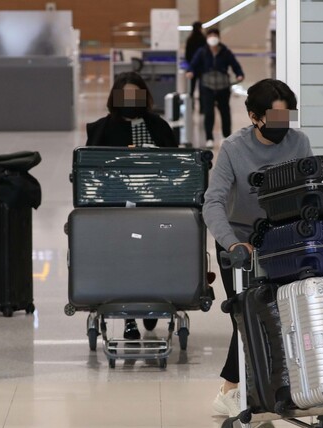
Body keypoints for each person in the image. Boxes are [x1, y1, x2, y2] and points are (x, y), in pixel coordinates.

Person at [202, 79, 313, 428]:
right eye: (276, 117)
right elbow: (213, 201)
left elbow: (312, 194)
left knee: (290, 315)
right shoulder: (234, 148)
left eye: (287, 116)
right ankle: (233, 392)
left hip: (285, 240)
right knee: (249, 315)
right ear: (254, 117)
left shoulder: (300, 143)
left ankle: (275, 387)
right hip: (241, 244)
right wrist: (232, 242)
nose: (284, 125)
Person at [86, 71, 177, 340]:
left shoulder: (159, 127)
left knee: (152, 257)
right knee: (125, 259)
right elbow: (91, 172)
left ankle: (152, 304)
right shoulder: (101, 129)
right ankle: (128, 318)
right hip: (116, 211)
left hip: (155, 207)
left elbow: (176, 168)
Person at [185, 28, 244, 149]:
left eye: (215, 35)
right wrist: (190, 71)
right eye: (210, 35)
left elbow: (235, 65)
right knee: (209, 113)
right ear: (207, 38)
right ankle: (209, 138)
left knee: (225, 112)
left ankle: (226, 136)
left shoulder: (225, 51)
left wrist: (239, 74)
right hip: (207, 86)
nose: (213, 38)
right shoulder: (202, 52)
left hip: (223, 86)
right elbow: (193, 65)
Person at [184, 21, 207, 109]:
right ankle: (202, 107)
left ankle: (191, 106)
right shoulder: (203, 39)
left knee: (191, 88)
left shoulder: (190, 39)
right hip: (202, 68)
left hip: (192, 68)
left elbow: (187, 54)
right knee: (202, 89)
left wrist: (190, 65)